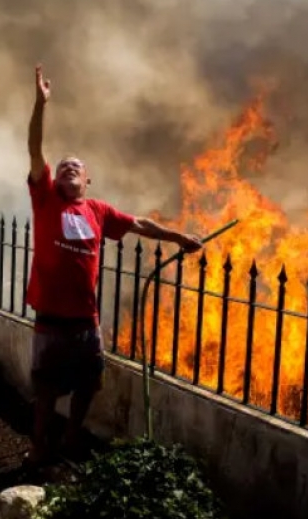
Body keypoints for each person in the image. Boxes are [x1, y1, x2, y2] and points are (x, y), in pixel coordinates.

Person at [26, 64, 203, 463]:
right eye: (64, 166)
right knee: (46, 390)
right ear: (54, 179)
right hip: (51, 318)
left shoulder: (98, 210)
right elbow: (36, 150)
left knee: (89, 385)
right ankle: (39, 447)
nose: (69, 167)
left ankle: (72, 438)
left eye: (78, 167)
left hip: (85, 320)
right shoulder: (46, 199)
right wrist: (41, 105)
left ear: (88, 181)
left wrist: (178, 237)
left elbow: (138, 222)